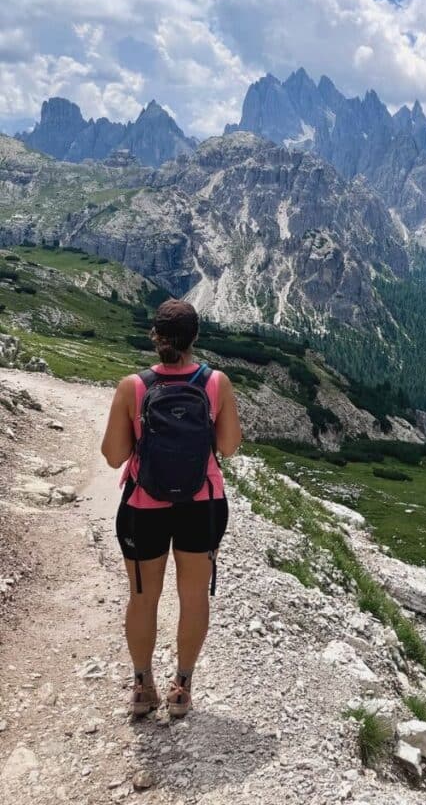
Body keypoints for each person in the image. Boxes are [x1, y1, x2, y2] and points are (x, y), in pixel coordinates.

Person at [101, 298, 241, 717]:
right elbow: (229, 447)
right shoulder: (216, 382)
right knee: (194, 595)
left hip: (144, 505)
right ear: (194, 338)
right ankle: (182, 686)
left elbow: (113, 455)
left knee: (143, 597)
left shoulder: (134, 386)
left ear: (155, 337)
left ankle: (142, 686)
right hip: (202, 504)